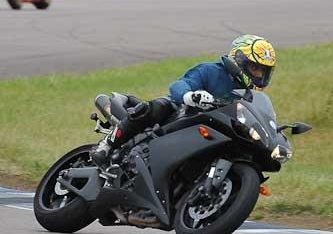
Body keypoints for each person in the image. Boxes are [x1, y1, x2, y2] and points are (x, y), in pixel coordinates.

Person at [92, 35, 276, 165]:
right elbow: (179, 85)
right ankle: (107, 145)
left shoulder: (247, 95)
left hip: (211, 134)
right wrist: (191, 96)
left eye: (263, 71)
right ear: (239, 59)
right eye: (254, 68)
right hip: (182, 117)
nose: (259, 74)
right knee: (159, 106)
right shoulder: (211, 70)